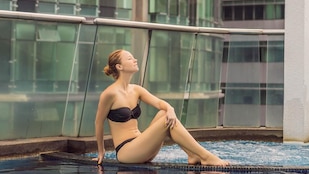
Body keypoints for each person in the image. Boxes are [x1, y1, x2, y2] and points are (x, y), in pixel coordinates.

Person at [94, 49, 229, 166]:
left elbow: (159, 103)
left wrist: (170, 109)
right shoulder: (109, 94)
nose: (135, 60)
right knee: (165, 119)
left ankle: (192, 154)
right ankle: (205, 157)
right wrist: (101, 151)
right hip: (127, 152)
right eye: (129, 58)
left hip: (142, 145)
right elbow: (98, 122)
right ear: (119, 66)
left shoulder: (136, 89)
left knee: (164, 113)